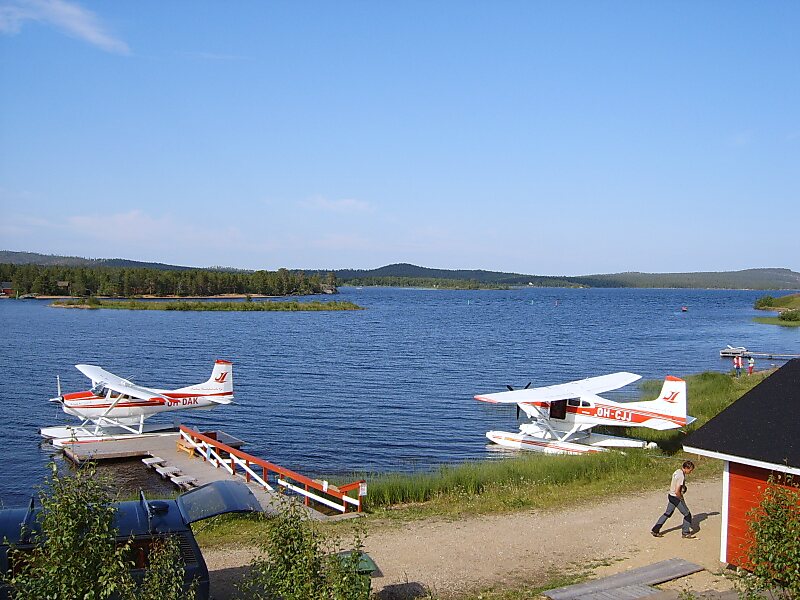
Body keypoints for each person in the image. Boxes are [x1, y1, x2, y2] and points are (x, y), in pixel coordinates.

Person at [651, 460, 696, 539]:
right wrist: (681, 498)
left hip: (671, 496)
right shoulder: (681, 476)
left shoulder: (677, 471)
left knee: (667, 514)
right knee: (687, 514)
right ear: (686, 468)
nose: (690, 472)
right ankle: (685, 532)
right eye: (690, 470)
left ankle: (655, 530)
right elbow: (677, 491)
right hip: (676, 497)